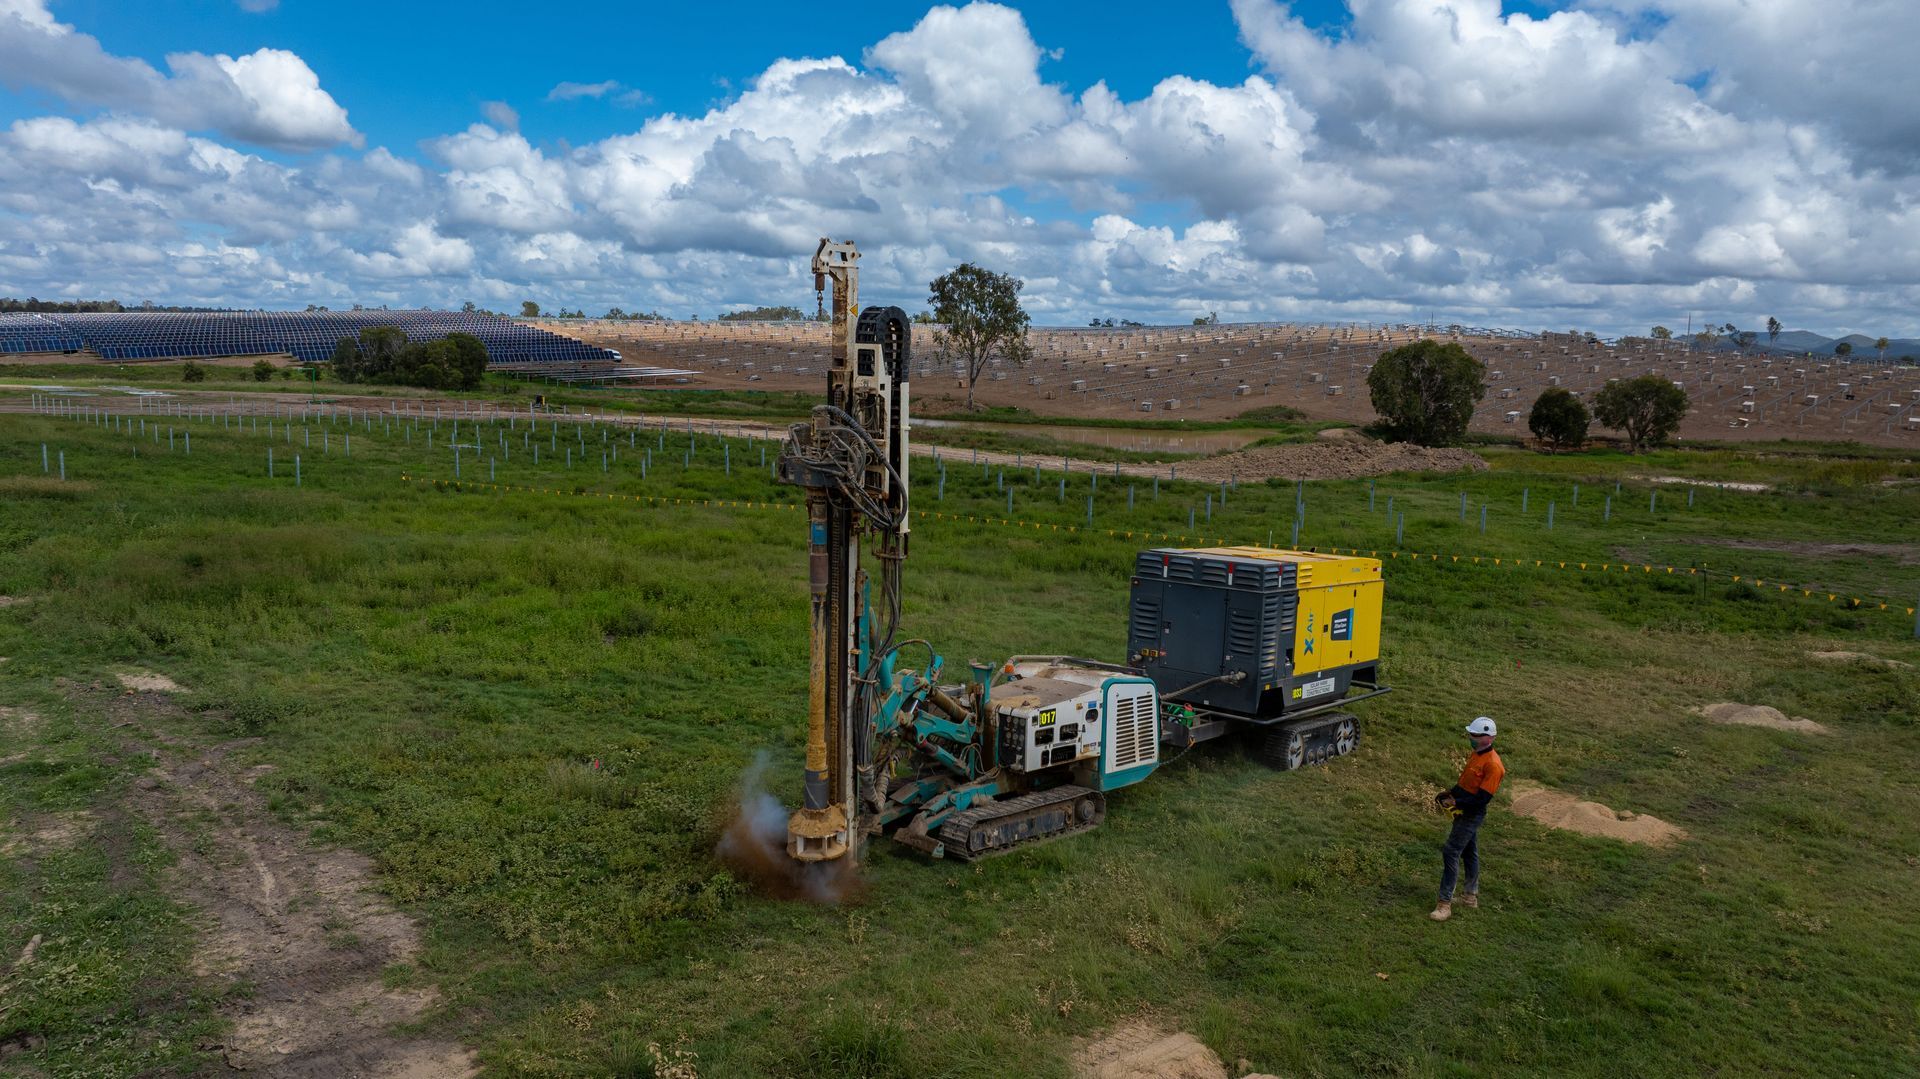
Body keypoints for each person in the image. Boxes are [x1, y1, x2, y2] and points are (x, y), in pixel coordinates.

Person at [1430, 716, 1505, 922]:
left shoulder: (1494, 766)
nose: (1470, 737)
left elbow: (1482, 799)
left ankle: (1444, 904)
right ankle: (1470, 897)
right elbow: (1465, 783)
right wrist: (1450, 793)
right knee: (1469, 851)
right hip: (1465, 809)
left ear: (1487, 738)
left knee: (1451, 851)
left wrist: (1456, 803)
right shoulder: (1477, 755)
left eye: (1474, 735)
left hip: (1471, 814)